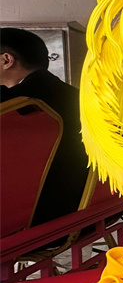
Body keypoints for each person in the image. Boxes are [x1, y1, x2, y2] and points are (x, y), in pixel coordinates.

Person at [1, 27, 90, 226]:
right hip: (87, 202)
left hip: (42, 213)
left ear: (7, 60)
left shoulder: (14, 104)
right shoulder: (72, 94)